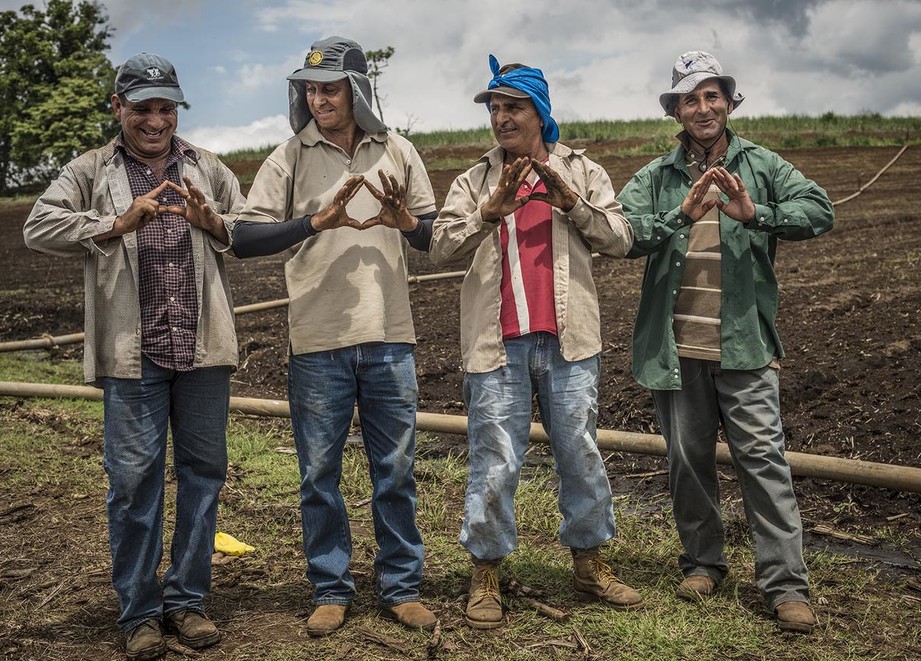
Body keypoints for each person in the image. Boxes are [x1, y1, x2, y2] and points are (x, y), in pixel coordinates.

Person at [23, 53, 245, 659]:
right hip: (134, 354)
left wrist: (214, 221)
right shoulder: (92, 169)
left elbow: (249, 223)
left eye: (165, 108)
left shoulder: (206, 166)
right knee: (132, 483)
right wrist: (114, 223)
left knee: (203, 476)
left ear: (177, 110)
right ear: (118, 107)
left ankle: (188, 601)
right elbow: (38, 227)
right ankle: (139, 612)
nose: (155, 120)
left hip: (200, 351)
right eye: (142, 107)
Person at [617, 50, 834, 634]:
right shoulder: (659, 177)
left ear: (729, 102)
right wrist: (678, 219)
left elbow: (820, 209)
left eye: (712, 95)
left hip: (744, 345)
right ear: (677, 111)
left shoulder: (761, 164)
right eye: (691, 98)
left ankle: (785, 585)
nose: (703, 107)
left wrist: (756, 212)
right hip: (677, 346)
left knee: (763, 460)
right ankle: (704, 564)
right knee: (687, 462)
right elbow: (623, 233)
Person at [228, 36, 437, 636]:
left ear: (358, 90)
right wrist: (314, 222)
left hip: (390, 336)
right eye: (310, 89)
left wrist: (405, 221)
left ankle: (401, 586)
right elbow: (244, 237)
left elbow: (431, 232)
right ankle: (330, 587)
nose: (318, 98)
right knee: (320, 473)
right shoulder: (289, 157)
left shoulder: (395, 150)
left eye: (330, 87)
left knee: (394, 470)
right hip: (316, 340)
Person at [430, 55, 641, 629]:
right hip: (496, 345)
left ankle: (590, 562)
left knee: (581, 453)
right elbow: (440, 247)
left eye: (512, 107)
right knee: (494, 459)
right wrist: (485, 213)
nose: (500, 118)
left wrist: (571, 202)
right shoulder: (474, 179)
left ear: (540, 112)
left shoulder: (582, 170)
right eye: (494, 108)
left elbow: (621, 237)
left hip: (569, 341)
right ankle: (487, 573)